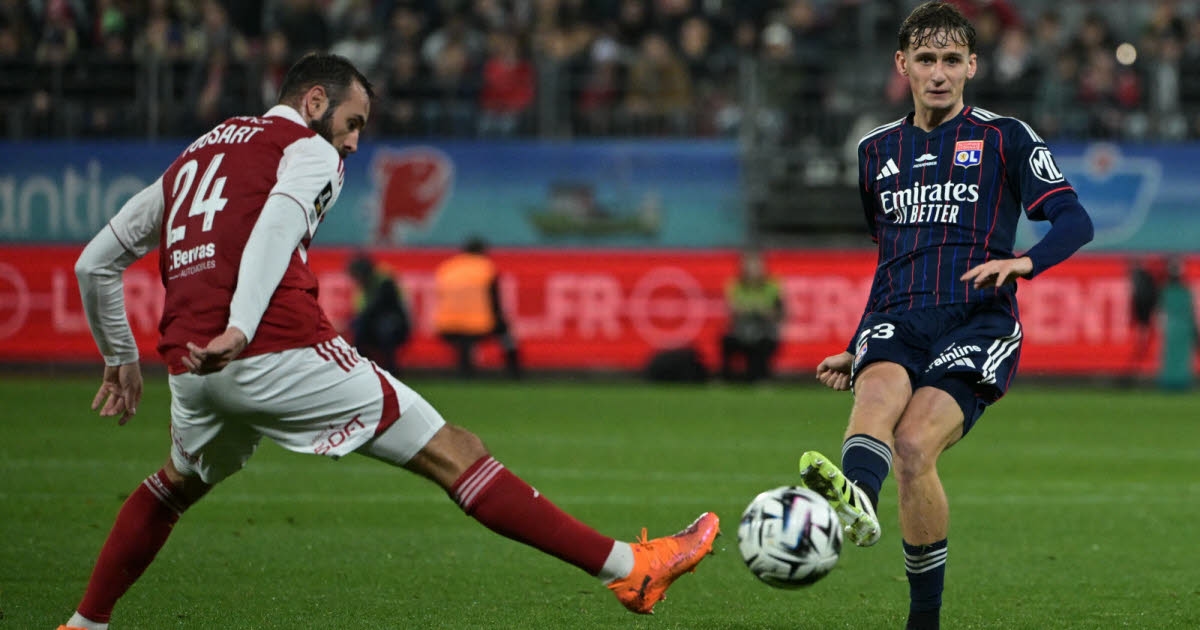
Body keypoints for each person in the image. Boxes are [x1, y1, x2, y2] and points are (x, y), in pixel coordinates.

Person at [62, 52, 718, 630]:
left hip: (191, 367)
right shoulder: (308, 149)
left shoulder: (199, 153)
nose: (352, 144)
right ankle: (631, 570)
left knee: (174, 485)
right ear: (314, 102)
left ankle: (85, 623)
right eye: (353, 123)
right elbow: (277, 226)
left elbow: (95, 261)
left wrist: (119, 356)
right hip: (272, 345)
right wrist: (241, 325)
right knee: (455, 451)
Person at [797, 4, 1094, 629]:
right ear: (901, 65)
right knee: (875, 391)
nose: (939, 73)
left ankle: (922, 619)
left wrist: (1025, 264)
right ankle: (857, 499)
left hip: (977, 321)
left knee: (911, 446)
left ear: (972, 66)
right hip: (901, 312)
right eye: (926, 60)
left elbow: (1075, 219)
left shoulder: (1004, 136)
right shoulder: (875, 150)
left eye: (951, 60)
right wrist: (857, 342)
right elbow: (888, 256)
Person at [432, 236, 521, 378]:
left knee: (463, 343)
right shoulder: (485, 267)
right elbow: (494, 299)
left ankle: (465, 371)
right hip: (477, 323)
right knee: (506, 337)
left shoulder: (448, 267)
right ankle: (514, 372)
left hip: (447, 324)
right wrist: (501, 321)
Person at [720, 250, 784, 383]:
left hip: (764, 330)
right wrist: (753, 309)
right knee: (726, 339)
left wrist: (763, 312)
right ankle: (726, 377)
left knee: (765, 342)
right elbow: (732, 309)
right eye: (750, 266)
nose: (754, 270)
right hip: (741, 330)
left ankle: (762, 377)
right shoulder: (735, 285)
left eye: (757, 266)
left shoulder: (772, 286)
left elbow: (779, 313)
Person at [347, 252, 411, 374]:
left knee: (385, 329)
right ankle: (360, 369)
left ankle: (391, 370)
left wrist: (357, 320)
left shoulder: (384, 282)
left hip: (395, 324)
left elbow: (379, 307)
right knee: (359, 330)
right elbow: (362, 311)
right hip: (373, 324)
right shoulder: (363, 287)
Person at [1157, 256, 1197, 391]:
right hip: (1183, 327)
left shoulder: (1167, 290)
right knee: (1180, 356)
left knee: (1172, 355)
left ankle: (1172, 381)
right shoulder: (1184, 291)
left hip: (1172, 327)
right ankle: (1178, 381)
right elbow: (1191, 311)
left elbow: (1161, 311)